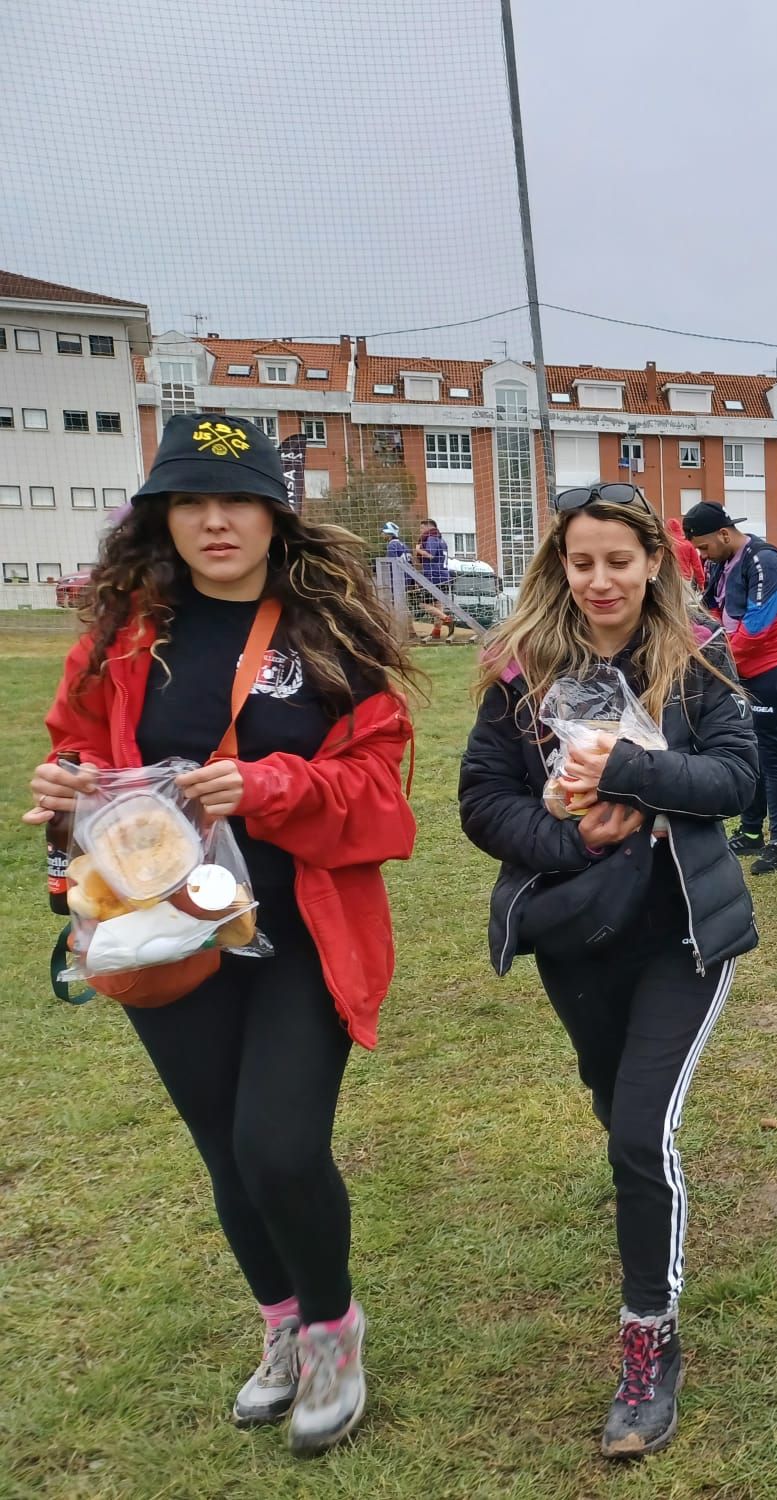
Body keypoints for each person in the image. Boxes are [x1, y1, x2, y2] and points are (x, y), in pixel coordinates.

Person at [28, 413, 417, 1454]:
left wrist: (268, 785)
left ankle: (335, 1330)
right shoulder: (123, 638)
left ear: (273, 514)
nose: (214, 520)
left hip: (300, 929)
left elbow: (382, 798)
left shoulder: (332, 637)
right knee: (224, 1152)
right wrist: (65, 788)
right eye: (191, 501)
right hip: (164, 933)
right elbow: (77, 749)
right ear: (162, 517)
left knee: (278, 1145)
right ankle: (282, 1326)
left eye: (236, 498)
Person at [459, 482, 758, 1458]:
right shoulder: (523, 670)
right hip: (579, 934)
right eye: (580, 562)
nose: (599, 581)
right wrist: (566, 836)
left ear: (651, 567)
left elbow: (734, 779)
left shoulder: (697, 658)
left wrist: (626, 769)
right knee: (611, 1107)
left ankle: (648, 1341)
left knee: (639, 1131)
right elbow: (480, 802)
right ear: (559, 567)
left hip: (683, 932)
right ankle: (643, 1205)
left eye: (617, 562)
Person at [683, 501, 777, 875]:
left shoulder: (764, 560)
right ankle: (751, 832)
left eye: (703, 546)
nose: (702, 555)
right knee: (747, 747)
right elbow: (711, 613)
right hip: (739, 670)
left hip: (772, 668)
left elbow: (758, 625)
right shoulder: (720, 564)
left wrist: (714, 657)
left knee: (772, 751)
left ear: (723, 533)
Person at [416, 518, 453, 641]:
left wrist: (418, 550)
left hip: (434, 576)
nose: (420, 531)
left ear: (428, 527)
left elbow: (430, 555)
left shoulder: (431, 539)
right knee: (438, 604)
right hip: (443, 575)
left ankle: (446, 619)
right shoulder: (442, 540)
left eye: (421, 528)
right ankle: (436, 631)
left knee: (423, 603)